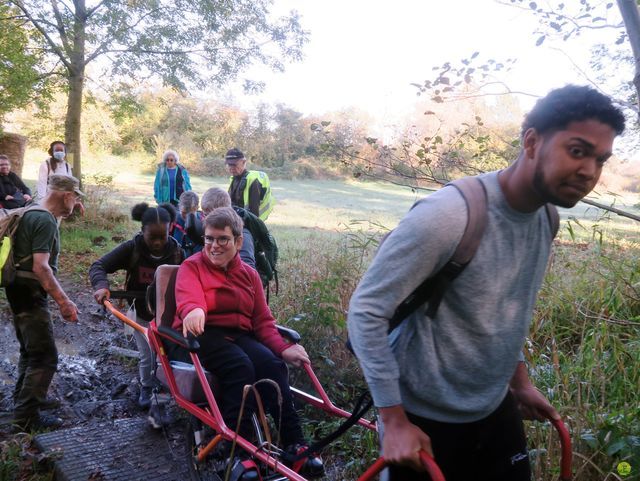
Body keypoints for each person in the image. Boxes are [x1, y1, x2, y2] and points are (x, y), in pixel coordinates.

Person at [347, 85, 625, 481]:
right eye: (577, 151)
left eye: (600, 159)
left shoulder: (547, 217)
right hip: (424, 419)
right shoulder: (448, 216)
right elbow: (365, 311)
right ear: (531, 142)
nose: (589, 172)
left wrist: (521, 383)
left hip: (494, 410)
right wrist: (392, 419)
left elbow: (505, 309)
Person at [172, 207, 322, 476]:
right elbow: (188, 296)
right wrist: (194, 309)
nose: (214, 246)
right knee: (240, 366)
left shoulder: (249, 275)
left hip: (238, 335)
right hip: (201, 335)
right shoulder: (192, 266)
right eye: (209, 239)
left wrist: (285, 348)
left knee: (273, 365)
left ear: (238, 242)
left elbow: (263, 322)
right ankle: (238, 453)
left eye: (222, 239)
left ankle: (295, 444)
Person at [89, 202, 184, 410]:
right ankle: (147, 387)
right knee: (148, 352)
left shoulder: (177, 252)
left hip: (168, 315)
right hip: (140, 312)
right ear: (142, 231)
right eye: (153, 237)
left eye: (163, 236)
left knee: (167, 351)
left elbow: (189, 280)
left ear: (170, 230)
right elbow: (99, 265)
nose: (158, 242)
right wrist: (101, 285)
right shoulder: (131, 249)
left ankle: (168, 386)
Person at [8, 175, 83, 431]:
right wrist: (64, 302)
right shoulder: (44, 219)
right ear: (66, 195)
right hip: (29, 290)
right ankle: (26, 417)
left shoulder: (32, 211)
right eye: (76, 196)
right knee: (45, 356)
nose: (76, 202)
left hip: (17, 288)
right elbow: (41, 267)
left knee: (30, 350)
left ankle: (24, 400)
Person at [200, 187, 255, 268]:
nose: (205, 219)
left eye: (208, 215)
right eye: (204, 214)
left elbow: (247, 268)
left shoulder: (242, 234)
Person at [225, 148, 275, 221]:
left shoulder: (253, 181)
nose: (231, 168)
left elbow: (254, 212)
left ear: (244, 162)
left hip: (251, 222)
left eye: (234, 164)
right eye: (229, 165)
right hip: (238, 219)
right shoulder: (234, 179)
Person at [171, 191, 203, 258]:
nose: (187, 217)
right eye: (184, 213)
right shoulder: (173, 222)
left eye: (190, 213)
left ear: (197, 208)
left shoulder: (203, 222)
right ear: (179, 207)